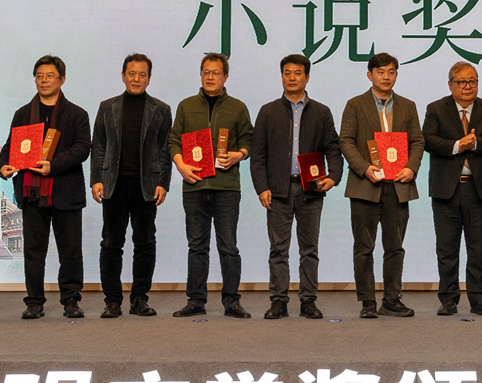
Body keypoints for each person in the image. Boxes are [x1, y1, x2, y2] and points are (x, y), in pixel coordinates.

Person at [0, 55, 92, 320]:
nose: (44, 80)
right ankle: (34, 302)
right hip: (32, 193)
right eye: (39, 76)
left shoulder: (77, 114)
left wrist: (54, 165)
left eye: (50, 76)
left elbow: (82, 148)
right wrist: (3, 166)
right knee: (33, 251)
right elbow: (10, 147)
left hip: (66, 190)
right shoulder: (23, 114)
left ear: (62, 79)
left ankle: (71, 300)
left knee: (70, 250)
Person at [250, 54, 344, 320]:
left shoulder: (322, 112)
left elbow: (333, 149)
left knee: (309, 249)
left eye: (297, 73)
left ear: (307, 77)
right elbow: (258, 155)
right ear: (282, 76)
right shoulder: (268, 111)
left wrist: (333, 177)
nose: (292, 78)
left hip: (311, 190)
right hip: (277, 190)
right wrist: (262, 187)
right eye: (287, 73)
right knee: (278, 250)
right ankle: (278, 301)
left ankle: (308, 301)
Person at [168, 52, 254, 318]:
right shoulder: (186, 106)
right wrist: (180, 165)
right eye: (206, 72)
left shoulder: (237, 107)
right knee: (197, 246)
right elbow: (173, 140)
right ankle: (196, 300)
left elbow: (249, 140)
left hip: (226, 187)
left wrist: (239, 155)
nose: (210, 77)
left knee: (228, 246)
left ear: (225, 76)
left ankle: (232, 301)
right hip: (194, 185)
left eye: (216, 72)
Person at [339, 52, 425, 318]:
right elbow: (346, 141)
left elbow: (417, 141)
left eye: (391, 72)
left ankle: (391, 300)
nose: (386, 77)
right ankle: (367, 302)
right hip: (366, 185)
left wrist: (411, 168)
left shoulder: (408, 106)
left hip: (398, 185)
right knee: (364, 248)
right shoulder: (355, 104)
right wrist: (364, 168)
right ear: (370, 75)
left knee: (395, 247)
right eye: (380, 72)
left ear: (396, 75)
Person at [89, 53, 172, 319]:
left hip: (146, 185)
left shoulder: (161, 109)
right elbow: (99, 146)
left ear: (149, 78)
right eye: (132, 74)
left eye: (142, 74)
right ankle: (112, 301)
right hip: (113, 184)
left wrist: (163, 182)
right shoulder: (107, 107)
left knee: (145, 243)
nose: (137, 79)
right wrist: (96, 179)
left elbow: (165, 150)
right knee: (111, 244)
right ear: (123, 76)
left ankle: (139, 299)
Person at [422, 61, 482, 316]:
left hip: (477, 190)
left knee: (478, 248)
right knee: (447, 248)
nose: (468, 86)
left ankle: (479, 299)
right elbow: (427, 140)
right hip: (446, 189)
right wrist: (459, 145)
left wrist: (475, 143)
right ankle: (448, 299)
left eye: (473, 81)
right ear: (450, 84)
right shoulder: (436, 109)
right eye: (462, 82)